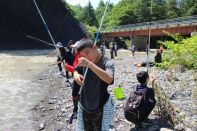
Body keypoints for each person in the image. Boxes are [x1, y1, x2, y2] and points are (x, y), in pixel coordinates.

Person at [74, 39, 115, 131]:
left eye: (87, 53)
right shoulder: (84, 62)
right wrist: (76, 75)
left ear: (95, 47)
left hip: (99, 107)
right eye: (83, 56)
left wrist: (89, 64)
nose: (86, 58)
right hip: (84, 105)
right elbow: (76, 70)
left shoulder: (107, 62)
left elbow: (109, 79)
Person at [64, 41, 81, 123]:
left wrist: (67, 67)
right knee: (77, 95)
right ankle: (77, 109)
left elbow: (76, 70)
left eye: (74, 47)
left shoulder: (80, 57)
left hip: (79, 80)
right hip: (77, 78)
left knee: (75, 95)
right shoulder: (77, 56)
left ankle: (76, 110)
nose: (73, 48)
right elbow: (75, 69)